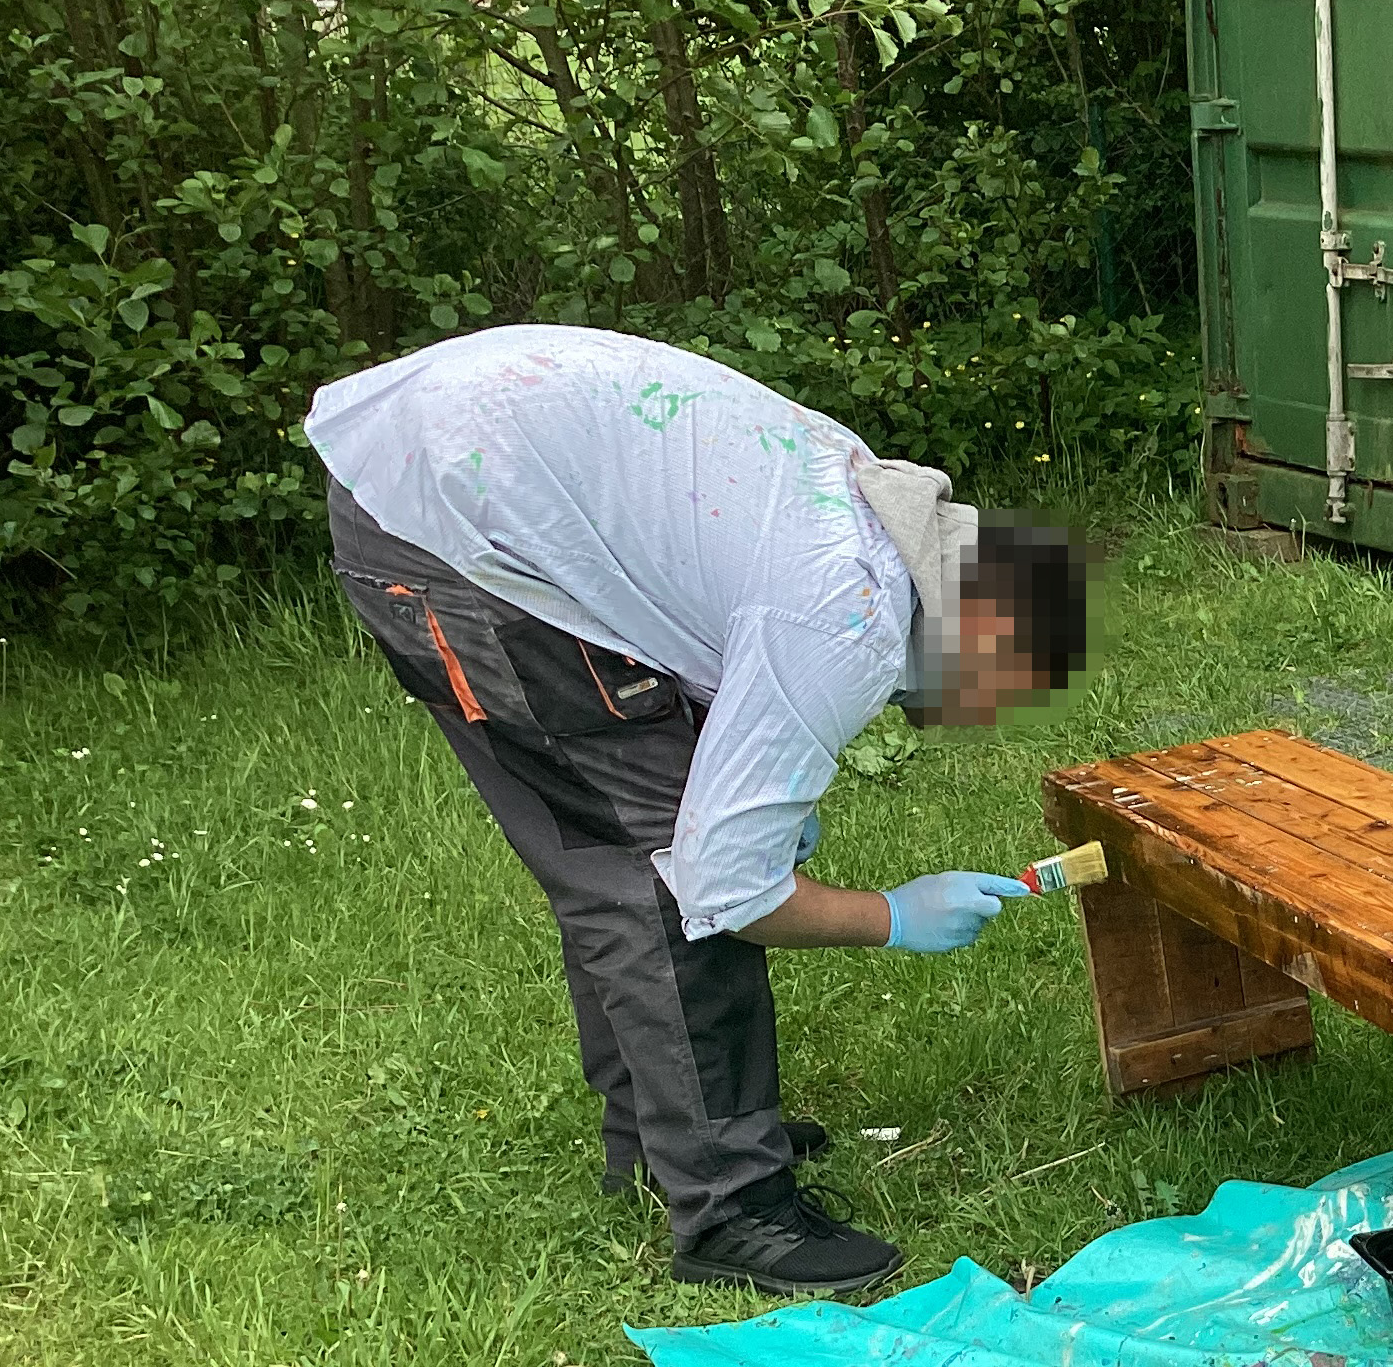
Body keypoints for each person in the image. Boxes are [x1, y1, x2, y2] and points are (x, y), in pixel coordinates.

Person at [305, 325, 1083, 1298]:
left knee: (613, 847)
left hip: (432, 459)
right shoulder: (845, 619)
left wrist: (735, 786)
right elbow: (725, 889)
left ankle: (664, 1135)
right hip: (455, 521)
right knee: (657, 877)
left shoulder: (875, 512)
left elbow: (684, 609)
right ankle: (731, 1205)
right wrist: (891, 917)